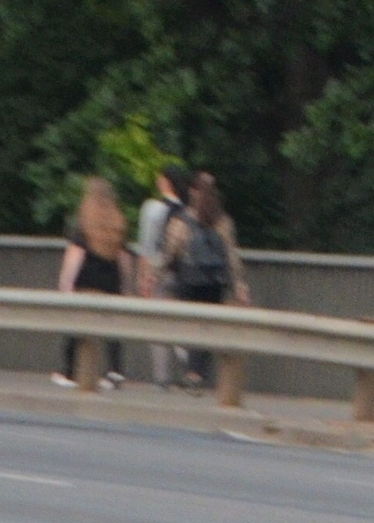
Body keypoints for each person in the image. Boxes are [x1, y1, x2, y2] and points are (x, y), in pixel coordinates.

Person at [153, 172, 249, 389]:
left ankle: (192, 369)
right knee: (208, 326)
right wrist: (239, 285)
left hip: (189, 279)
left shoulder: (183, 220)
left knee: (189, 323)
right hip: (215, 281)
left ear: (193, 192)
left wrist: (156, 274)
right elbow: (232, 255)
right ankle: (198, 372)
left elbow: (170, 251)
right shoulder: (223, 221)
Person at [52, 178, 135, 389]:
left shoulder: (84, 223)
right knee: (111, 328)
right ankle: (115, 371)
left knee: (76, 327)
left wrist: (66, 285)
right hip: (111, 281)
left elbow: (75, 255)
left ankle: (70, 372)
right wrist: (125, 286)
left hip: (87, 281)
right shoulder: (117, 222)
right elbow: (124, 258)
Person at [134, 162, 189, 388]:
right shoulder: (188, 211)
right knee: (180, 322)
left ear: (165, 182)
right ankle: (189, 364)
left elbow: (147, 245)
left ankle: (162, 378)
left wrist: (143, 276)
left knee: (157, 325)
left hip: (159, 272)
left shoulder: (154, 209)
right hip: (185, 275)